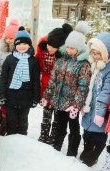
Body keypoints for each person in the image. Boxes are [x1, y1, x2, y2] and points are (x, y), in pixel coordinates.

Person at [42, 22, 91, 157]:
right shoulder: (60, 61)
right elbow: (53, 80)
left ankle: (72, 152)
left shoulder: (83, 64)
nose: (69, 50)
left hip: (71, 105)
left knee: (74, 128)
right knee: (60, 127)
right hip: (59, 101)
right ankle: (56, 148)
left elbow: (83, 86)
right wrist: (47, 96)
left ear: (79, 48)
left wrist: (76, 105)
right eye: (68, 47)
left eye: (73, 48)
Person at [0, 26, 40, 135]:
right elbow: (3, 78)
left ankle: (22, 144)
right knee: (10, 123)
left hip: (26, 99)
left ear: (29, 45)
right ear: (15, 45)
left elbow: (36, 81)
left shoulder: (33, 61)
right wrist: (2, 95)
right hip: (10, 98)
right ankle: (12, 143)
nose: (21, 46)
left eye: (25, 44)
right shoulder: (9, 59)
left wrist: (35, 98)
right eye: (19, 44)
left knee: (23, 123)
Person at [36, 24, 73, 145]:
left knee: (57, 117)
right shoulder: (43, 53)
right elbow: (39, 67)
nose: (50, 49)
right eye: (49, 45)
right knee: (46, 115)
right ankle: (44, 135)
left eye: (54, 47)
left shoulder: (63, 58)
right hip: (46, 89)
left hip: (59, 91)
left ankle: (53, 136)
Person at [80, 32, 110, 167]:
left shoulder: (108, 69)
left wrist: (100, 113)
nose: (95, 56)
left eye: (98, 54)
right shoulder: (93, 66)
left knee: (99, 134)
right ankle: (87, 149)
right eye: (93, 53)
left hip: (100, 109)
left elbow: (106, 92)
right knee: (87, 132)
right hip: (89, 106)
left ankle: (94, 155)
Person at [0, 18, 20, 102]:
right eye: (6, 38)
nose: (8, 40)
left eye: (11, 38)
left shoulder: (19, 52)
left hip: (14, 84)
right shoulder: (2, 51)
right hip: (2, 83)